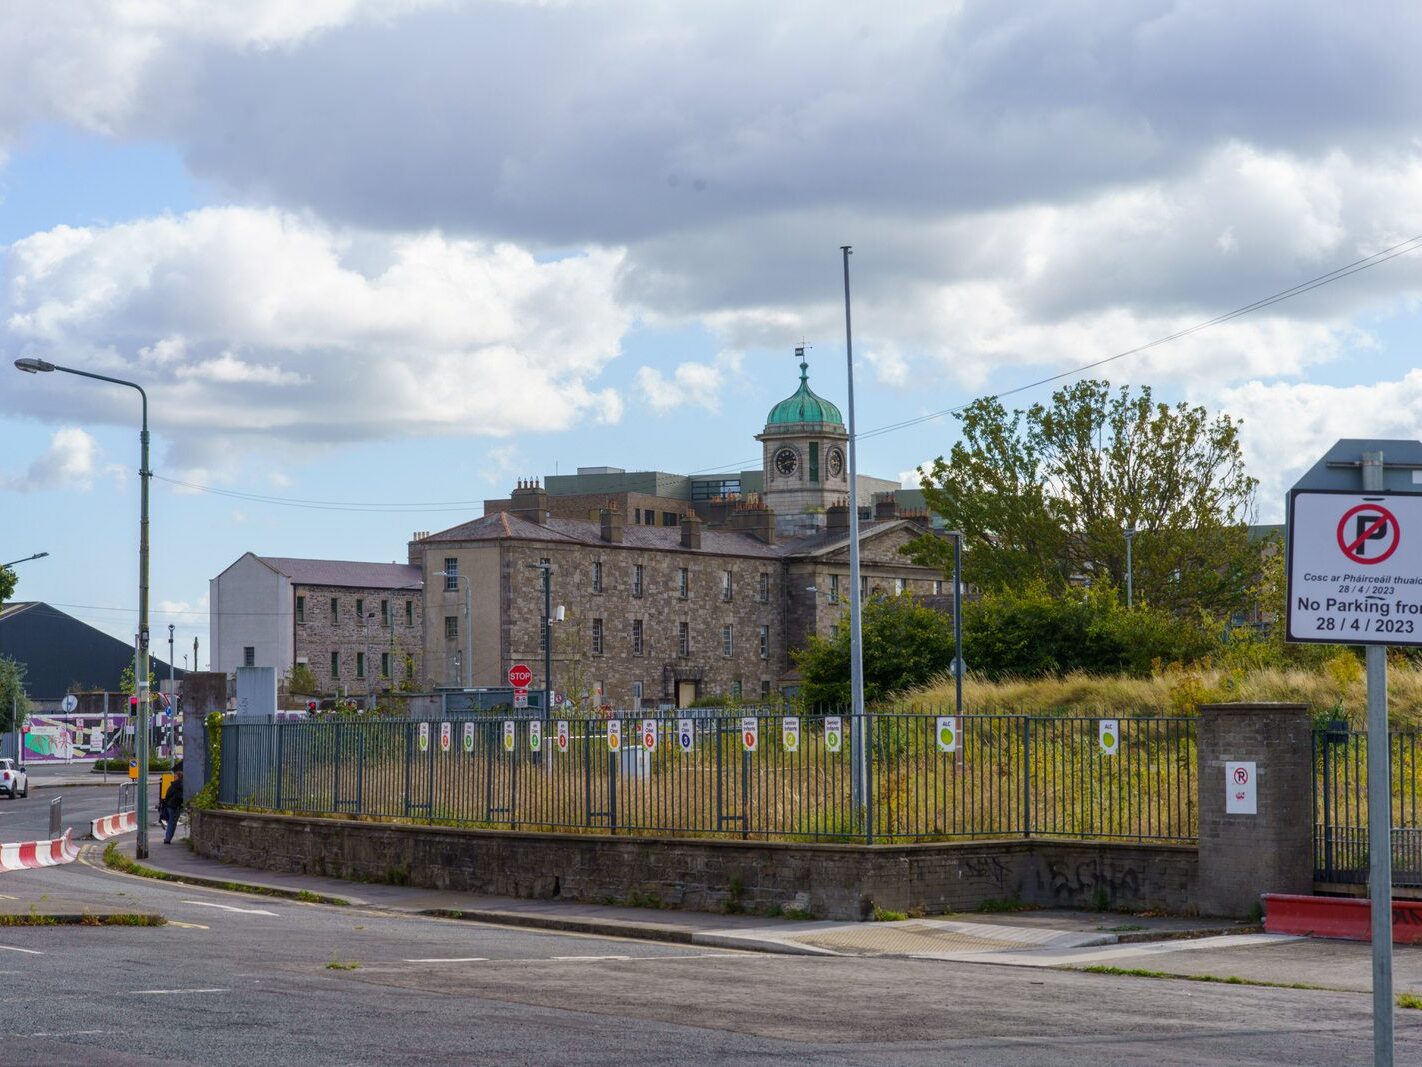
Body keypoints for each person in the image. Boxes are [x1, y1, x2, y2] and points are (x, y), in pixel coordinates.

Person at [160, 768, 184, 844]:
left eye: (175, 776)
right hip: (176, 806)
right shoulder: (183, 785)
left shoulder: (173, 785)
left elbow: (167, 795)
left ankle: (168, 838)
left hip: (170, 805)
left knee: (171, 822)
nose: (174, 777)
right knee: (172, 823)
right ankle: (168, 839)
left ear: (178, 777)